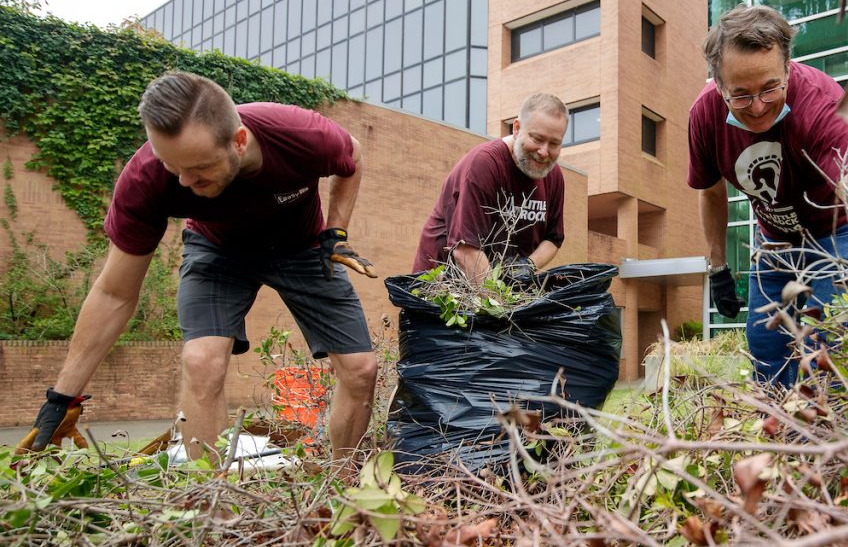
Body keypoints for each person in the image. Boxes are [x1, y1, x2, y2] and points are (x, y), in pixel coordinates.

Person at [21, 71, 378, 463]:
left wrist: (336, 231)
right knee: (201, 362)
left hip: (302, 247)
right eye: (173, 166)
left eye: (199, 168)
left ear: (239, 142)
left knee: (362, 370)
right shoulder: (146, 180)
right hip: (218, 251)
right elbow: (113, 293)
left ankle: (346, 488)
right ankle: (209, 502)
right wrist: (61, 397)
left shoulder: (299, 134)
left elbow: (353, 157)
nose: (185, 181)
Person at [688, 5, 848, 387]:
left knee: (832, 344)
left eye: (770, 88)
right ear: (718, 82)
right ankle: (781, 433)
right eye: (741, 96)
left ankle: (836, 437)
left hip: (839, 232)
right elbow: (712, 193)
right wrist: (718, 269)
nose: (759, 107)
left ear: (787, 66)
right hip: (774, 241)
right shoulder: (704, 115)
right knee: (765, 343)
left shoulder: (825, 100)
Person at [413, 93, 569, 286]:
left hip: (493, 288)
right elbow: (466, 251)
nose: (544, 152)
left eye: (554, 143)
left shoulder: (553, 175)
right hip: (442, 288)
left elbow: (553, 239)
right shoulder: (485, 165)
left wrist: (526, 266)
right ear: (517, 128)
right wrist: (500, 307)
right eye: (537, 139)